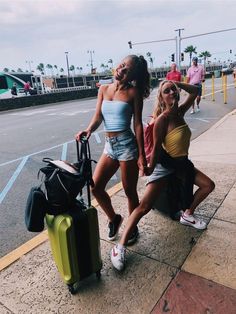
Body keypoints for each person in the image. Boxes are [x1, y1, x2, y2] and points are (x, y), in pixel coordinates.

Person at [111, 80, 215, 271]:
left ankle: (188, 214)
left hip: (182, 165)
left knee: (208, 185)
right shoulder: (163, 120)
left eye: (173, 90)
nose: (172, 93)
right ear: (161, 97)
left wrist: (176, 83)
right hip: (165, 166)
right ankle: (120, 247)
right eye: (167, 91)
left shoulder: (181, 111)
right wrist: (149, 169)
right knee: (144, 207)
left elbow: (195, 90)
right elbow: (157, 149)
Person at [75, 55, 150, 245]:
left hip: (127, 146)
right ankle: (114, 219)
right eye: (122, 65)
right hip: (110, 146)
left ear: (132, 76)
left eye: (127, 70)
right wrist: (89, 129)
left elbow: (138, 124)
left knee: (130, 192)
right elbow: (98, 116)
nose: (122, 71)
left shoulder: (134, 93)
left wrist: (141, 155)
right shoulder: (103, 89)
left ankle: (132, 228)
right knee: (96, 187)